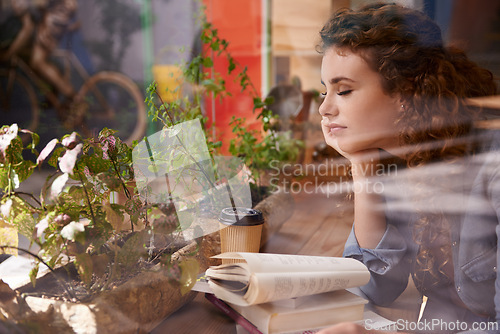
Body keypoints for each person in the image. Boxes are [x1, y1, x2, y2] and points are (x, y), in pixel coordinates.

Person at [315, 3, 499, 334]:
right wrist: (362, 164)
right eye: (325, 91)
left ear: (406, 91)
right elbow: (375, 285)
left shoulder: (492, 165)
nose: (324, 108)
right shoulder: (401, 163)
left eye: (343, 90)